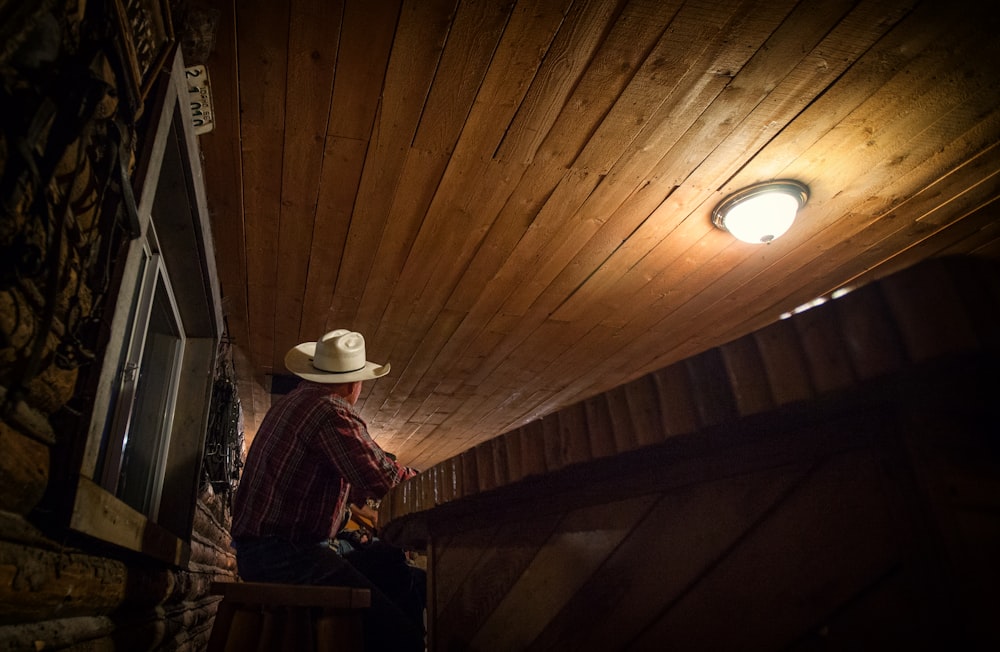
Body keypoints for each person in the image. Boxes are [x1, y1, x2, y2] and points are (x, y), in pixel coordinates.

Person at [230, 329, 425, 652]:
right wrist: (429, 481)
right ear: (353, 384)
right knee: (397, 631)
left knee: (389, 565)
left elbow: (321, 478)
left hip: (261, 552)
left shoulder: (293, 401)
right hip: (285, 555)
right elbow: (387, 479)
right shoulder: (331, 411)